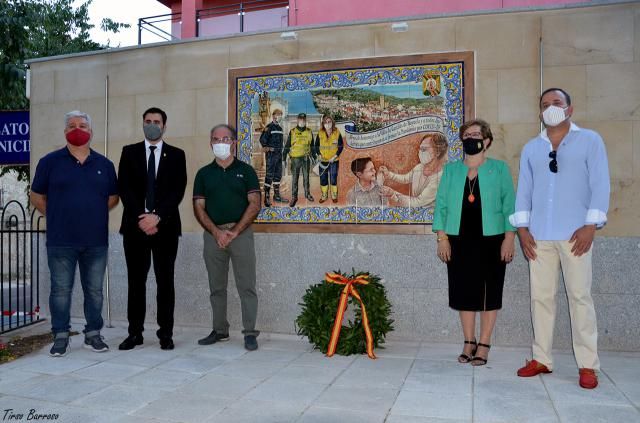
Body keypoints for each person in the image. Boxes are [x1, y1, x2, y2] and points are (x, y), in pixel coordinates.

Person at [511, 88, 610, 389]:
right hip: (539, 237)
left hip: (575, 235)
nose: (550, 108)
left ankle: (588, 365)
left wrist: (591, 225)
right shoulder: (532, 148)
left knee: (580, 298)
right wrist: (523, 230)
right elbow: (524, 191)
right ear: (539, 112)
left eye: (556, 103)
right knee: (541, 299)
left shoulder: (590, 141)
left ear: (569, 108)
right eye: (545, 105)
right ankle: (542, 358)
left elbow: (601, 183)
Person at [30, 110, 119, 357]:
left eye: (81, 125)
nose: (76, 129)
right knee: (60, 291)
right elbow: (36, 196)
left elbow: (112, 197)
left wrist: (91, 212)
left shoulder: (105, 164)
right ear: (65, 132)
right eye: (71, 125)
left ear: (91, 131)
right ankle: (60, 335)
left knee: (95, 291)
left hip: (95, 241)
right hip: (61, 241)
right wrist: (58, 214)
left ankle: (93, 334)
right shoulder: (49, 162)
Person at [433, 119, 516, 366]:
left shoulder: (499, 169)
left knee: (490, 291)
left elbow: (510, 206)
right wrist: (442, 238)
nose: (470, 138)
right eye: (467, 134)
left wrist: (509, 238)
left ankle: (485, 343)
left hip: (492, 240)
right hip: (458, 240)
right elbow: (442, 206)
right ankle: (469, 341)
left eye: (476, 134)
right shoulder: (451, 171)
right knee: (463, 291)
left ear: (486, 140)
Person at [117, 107, 187, 351]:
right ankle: (134, 333)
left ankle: (165, 333)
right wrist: (143, 218)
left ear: (164, 126)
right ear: (142, 123)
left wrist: (156, 217)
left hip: (165, 229)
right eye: (148, 121)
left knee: (165, 282)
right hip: (135, 229)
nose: (152, 125)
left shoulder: (177, 155)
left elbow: (177, 190)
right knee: (136, 283)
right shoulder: (129, 152)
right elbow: (124, 188)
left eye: (156, 121)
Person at [193, 124, 262, 351]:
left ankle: (250, 332)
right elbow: (199, 207)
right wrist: (216, 232)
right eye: (215, 139)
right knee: (216, 287)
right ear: (210, 143)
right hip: (213, 236)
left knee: (246, 286)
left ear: (233, 142)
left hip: (241, 234)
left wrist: (234, 231)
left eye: (225, 139)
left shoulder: (246, 171)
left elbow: (254, 204)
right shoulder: (203, 174)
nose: (220, 143)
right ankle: (220, 330)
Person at [379, 132, 447, 208]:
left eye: (424, 149)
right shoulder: (419, 167)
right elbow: (405, 179)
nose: (420, 152)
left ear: (437, 152)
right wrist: (389, 174)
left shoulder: (440, 178)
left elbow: (418, 202)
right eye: (420, 149)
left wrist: (393, 194)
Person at [283, 112, 314, 207]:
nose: (302, 121)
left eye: (304, 119)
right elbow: (287, 146)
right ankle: (294, 197)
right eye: (300, 119)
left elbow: (312, 146)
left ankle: (307, 194)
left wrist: (314, 157)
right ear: (298, 120)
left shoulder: (309, 131)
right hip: (295, 159)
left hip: (305, 158)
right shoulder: (292, 131)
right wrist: (284, 158)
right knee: (295, 179)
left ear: (305, 120)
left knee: (306, 178)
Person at [312, 114, 343, 203]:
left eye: (329, 122)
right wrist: (319, 155)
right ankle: (324, 195)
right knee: (323, 178)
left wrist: (335, 156)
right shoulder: (320, 133)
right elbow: (316, 146)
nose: (327, 124)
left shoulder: (337, 132)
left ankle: (334, 195)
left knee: (333, 178)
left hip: (334, 160)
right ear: (323, 123)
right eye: (326, 122)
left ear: (332, 123)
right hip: (323, 161)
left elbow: (340, 146)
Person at [259, 109, 287, 207]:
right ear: (273, 115)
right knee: (269, 175)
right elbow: (262, 139)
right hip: (271, 155)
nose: (279, 116)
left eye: (280, 115)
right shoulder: (268, 127)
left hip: (279, 155)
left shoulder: (280, 128)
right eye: (278, 115)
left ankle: (276, 195)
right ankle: (266, 197)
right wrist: (267, 148)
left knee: (277, 175)